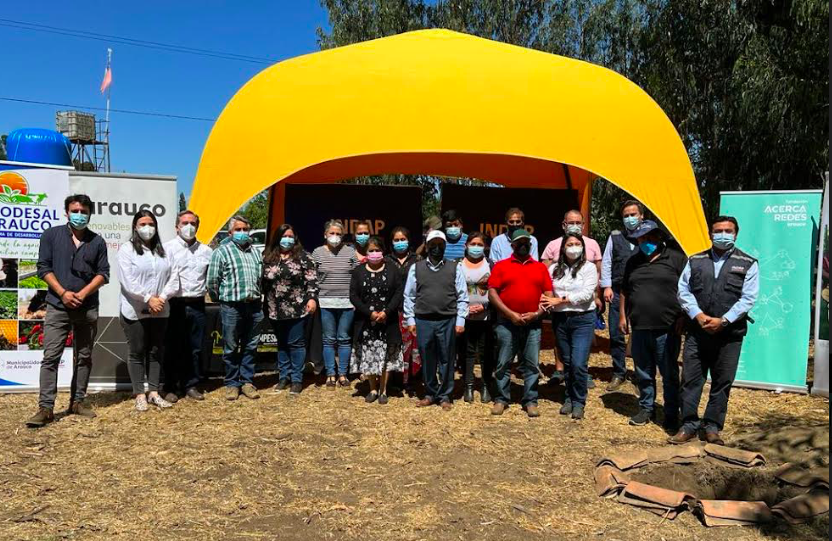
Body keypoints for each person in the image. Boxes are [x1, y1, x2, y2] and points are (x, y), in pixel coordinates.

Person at [670, 216, 759, 446]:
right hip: (697, 333)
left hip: (729, 335)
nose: (723, 235)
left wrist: (724, 321)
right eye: (718, 231)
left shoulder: (748, 263)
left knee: (722, 382)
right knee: (690, 380)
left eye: (728, 231)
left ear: (736, 234)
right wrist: (698, 315)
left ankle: (712, 427)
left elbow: (748, 298)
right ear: (710, 234)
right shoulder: (695, 260)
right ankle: (688, 425)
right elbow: (683, 291)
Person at [26, 194, 110, 428]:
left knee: (84, 357)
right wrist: (63, 292)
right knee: (51, 357)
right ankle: (46, 408)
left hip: (87, 307)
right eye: (75, 211)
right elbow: (43, 268)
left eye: (84, 211)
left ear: (90, 214)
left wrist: (83, 293)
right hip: (57, 305)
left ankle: (78, 402)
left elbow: (103, 273)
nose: (79, 215)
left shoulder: (97, 241)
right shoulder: (51, 235)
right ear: (66, 212)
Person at [619, 220, 687, 429]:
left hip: (667, 327)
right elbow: (624, 290)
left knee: (669, 373)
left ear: (659, 236)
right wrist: (622, 316)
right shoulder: (633, 261)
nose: (646, 241)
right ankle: (646, 408)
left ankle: (671, 413)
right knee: (643, 372)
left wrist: (683, 316)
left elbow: (689, 289)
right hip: (639, 326)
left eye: (650, 237)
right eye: (642, 238)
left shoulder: (676, 258)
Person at [118, 210, 180, 411]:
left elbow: (174, 277)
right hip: (134, 310)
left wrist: (161, 298)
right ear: (135, 227)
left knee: (155, 351)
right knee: (137, 351)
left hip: (160, 309)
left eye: (151, 224)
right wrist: (147, 298)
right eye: (143, 224)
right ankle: (139, 394)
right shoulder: (127, 250)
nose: (147, 228)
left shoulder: (165, 250)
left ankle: (153, 392)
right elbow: (127, 280)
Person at [488, 228, 553, 417]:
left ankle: (530, 400)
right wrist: (510, 314)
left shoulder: (540, 267)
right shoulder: (501, 266)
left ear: (531, 245)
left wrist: (537, 313)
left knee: (531, 363)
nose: (523, 245)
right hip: (506, 323)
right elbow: (492, 293)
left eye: (526, 242)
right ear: (512, 245)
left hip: (533, 323)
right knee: (503, 362)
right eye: (519, 242)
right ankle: (501, 399)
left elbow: (548, 295)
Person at [403, 230, 469, 410]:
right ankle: (430, 393)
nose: (436, 248)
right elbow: (409, 296)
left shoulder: (455, 267)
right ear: (427, 246)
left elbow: (462, 296)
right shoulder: (416, 268)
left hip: (447, 320)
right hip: (423, 320)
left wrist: (460, 321)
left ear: (445, 247)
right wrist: (411, 320)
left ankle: (445, 395)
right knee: (427, 357)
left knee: (447, 358)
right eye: (433, 245)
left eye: (440, 245)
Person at [541, 209, 603, 386]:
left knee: (579, 354)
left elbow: (598, 272)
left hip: (583, 310)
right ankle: (562, 374)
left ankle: (580, 378)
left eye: (578, 223)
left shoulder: (592, 248)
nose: (574, 226)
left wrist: (597, 295)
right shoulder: (553, 247)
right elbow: (544, 276)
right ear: (564, 225)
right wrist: (548, 299)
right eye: (571, 223)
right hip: (560, 312)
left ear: (583, 225)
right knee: (565, 351)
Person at [541, 233, 598, 420]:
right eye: (569, 244)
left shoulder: (589, 268)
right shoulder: (554, 269)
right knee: (566, 361)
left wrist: (561, 300)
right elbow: (547, 290)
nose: (573, 247)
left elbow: (587, 294)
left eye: (577, 244)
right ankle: (569, 397)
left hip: (583, 318)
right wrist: (547, 299)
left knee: (578, 363)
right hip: (560, 319)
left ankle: (579, 401)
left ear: (582, 247)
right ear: (563, 248)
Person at [207, 215, 264, 401]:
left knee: (251, 345)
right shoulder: (221, 252)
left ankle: (247, 382)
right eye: (238, 229)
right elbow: (212, 281)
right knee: (231, 346)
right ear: (230, 232)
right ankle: (232, 383)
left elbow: (260, 279)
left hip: (254, 306)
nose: (242, 232)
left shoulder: (256, 253)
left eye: (245, 229)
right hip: (232, 306)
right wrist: (220, 299)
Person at [161, 210, 213, 403]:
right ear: (177, 227)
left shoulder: (206, 251)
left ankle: (191, 384)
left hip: (198, 304)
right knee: (173, 346)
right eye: (184, 223)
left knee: (195, 348)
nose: (188, 227)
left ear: (197, 227)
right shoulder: (166, 249)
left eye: (192, 223)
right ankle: (170, 386)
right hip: (175, 304)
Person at [262, 224, 319, 395]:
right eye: (284, 236)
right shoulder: (268, 256)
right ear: (277, 238)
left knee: (296, 343)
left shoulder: (304, 257)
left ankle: (296, 379)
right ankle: (283, 376)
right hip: (274, 308)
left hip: (296, 307)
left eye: (290, 236)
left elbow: (312, 280)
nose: (287, 239)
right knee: (281, 343)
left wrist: (312, 298)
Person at [350, 237, 404, 404]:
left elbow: (398, 293)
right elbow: (353, 296)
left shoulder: (393, 270)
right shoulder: (358, 271)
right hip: (366, 322)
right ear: (366, 253)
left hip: (388, 321)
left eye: (377, 250)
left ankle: (383, 390)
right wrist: (369, 313)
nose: (374, 253)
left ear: (383, 251)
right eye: (371, 250)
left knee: (387, 355)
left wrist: (386, 312)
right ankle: (372, 388)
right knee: (369, 355)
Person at [600, 200, 644, 391]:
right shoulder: (616, 236)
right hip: (617, 292)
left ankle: (641, 375)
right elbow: (607, 261)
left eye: (633, 215)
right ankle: (619, 372)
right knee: (616, 334)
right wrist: (606, 286)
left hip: (641, 293)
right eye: (626, 215)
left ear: (641, 216)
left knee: (641, 334)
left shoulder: (649, 237)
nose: (630, 218)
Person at [312, 219, 358, 388]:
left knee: (344, 339)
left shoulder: (350, 252)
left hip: (347, 303)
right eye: (332, 233)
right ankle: (330, 374)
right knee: (329, 340)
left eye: (338, 234)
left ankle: (343, 374)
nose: (335, 236)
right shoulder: (317, 253)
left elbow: (357, 275)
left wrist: (356, 299)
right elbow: (312, 276)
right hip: (325, 302)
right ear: (325, 234)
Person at [458, 232, 495, 403]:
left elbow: (496, 291)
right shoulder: (458, 265)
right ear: (466, 245)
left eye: (479, 244)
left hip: (486, 317)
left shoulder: (491, 265)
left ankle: (486, 385)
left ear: (485, 247)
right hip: (465, 317)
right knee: (467, 351)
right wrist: (464, 308)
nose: (476, 247)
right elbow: (453, 290)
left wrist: (485, 306)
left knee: (486, 351)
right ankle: (469, 385)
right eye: (472, 244)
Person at [386, 226, 422, 392]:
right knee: (395, 345)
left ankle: (412, 380)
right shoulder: (386, 260)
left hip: (412, 310)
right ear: (391, 242)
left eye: (403, 239)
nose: (400, 243)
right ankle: (394, 380)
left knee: (413, 347)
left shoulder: (418, 259)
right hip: (392, 311)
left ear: (408, 241)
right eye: (396, 240)